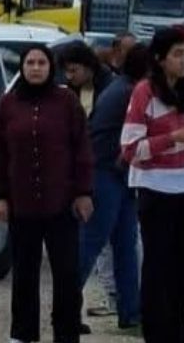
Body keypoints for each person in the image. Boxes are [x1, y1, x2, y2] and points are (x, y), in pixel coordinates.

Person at [0, 45, 93, 343]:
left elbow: (82, 149)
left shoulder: (67, 102)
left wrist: (84, 192)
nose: (36, 68)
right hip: (21, 205)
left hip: (61, 204)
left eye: (42, 62)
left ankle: (67, 334)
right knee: (24, 275)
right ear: (22, 67)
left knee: (66, 275)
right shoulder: (7, 105)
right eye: (30, 63)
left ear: (51, 67)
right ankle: (22, 334)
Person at [120, 27, 184, 343]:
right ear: (160, 59)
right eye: (177, 54)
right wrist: (172, 138)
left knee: (182, 272)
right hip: (156, 188)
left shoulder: (183, 88)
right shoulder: (144, 91)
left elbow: (178, 138)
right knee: (158, 270)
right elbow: (130, 148)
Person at [79, 43, 149, 331]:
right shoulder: (131, 92)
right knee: (92, 243)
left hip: (118, 174)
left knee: (124, 245)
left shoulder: (122, 87)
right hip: (106, 172)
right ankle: (66, 309)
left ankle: (130, 311)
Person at [57, 41, 117, 329]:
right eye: (66, 71)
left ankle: (70, 309)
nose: (70, 76)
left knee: (87, 246)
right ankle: (68, 311)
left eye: (74, 70)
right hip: (71, 175)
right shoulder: (69, 92)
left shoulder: (109, 89)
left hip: (98, 173)